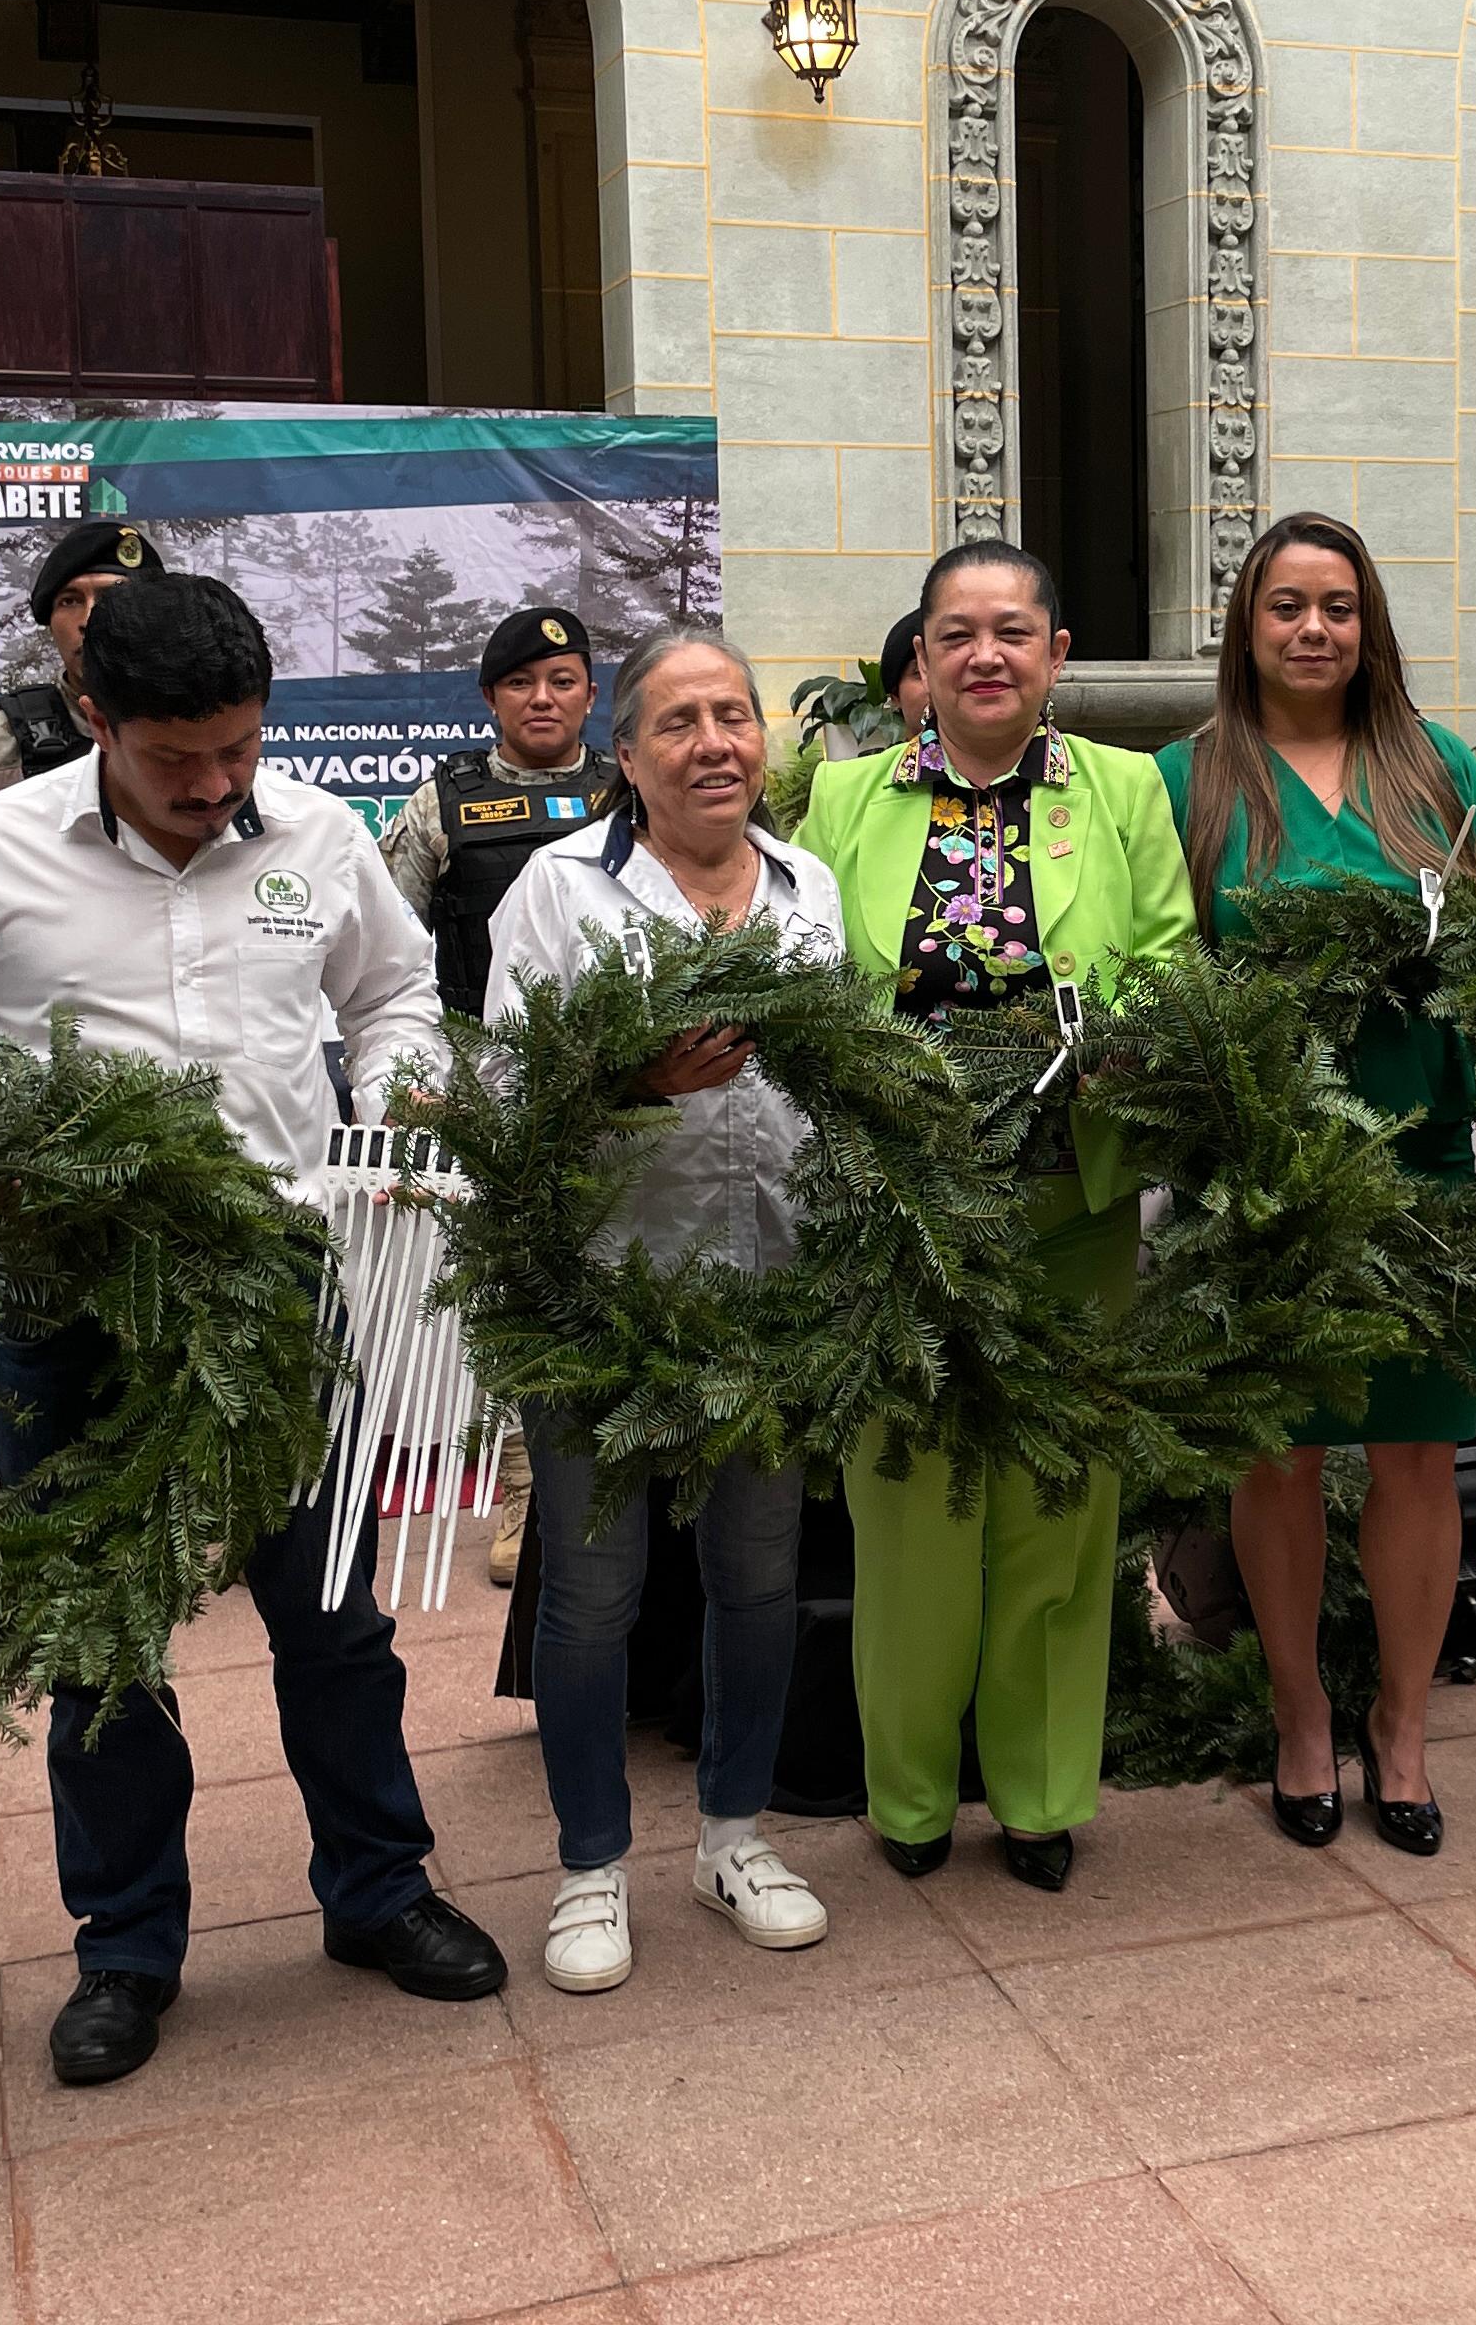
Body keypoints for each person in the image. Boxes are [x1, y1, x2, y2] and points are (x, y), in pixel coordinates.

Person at [0, 573, 507, 2087]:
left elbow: (396, 995)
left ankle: (379, 1891)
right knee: (103, 1636)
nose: (216, 788)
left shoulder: (322, 839)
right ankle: (126, 1948)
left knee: (334, 1620)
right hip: (72, 1302)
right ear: (95, 718)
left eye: (238, 752)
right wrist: (11, 1149)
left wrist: (401, 1082)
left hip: (284, 1290)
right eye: (178, 761)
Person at [792, 542, 1197, 1891]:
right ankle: (907, 1797)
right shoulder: (844, 799)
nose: (986, 655)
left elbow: (1167, 954)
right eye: (957, 631)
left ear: (1056, 654)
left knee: (1058, 1508)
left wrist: (1120, 1043)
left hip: (1066, 1195)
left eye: (1013, 630)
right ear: (921, 656)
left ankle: (1036, 1794)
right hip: (897, 1210)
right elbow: (802, 970)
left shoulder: (1124, 787)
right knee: (905, 1514)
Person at [483, 631, 837, 1992]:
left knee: (756, 1577)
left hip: (769, 1294)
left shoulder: (807, 891)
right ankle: (589, 1867)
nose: (715, 744)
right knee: (593, 1592)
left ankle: (734, 1836)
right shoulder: (559, 892)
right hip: (601, 1301)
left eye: (735, 716)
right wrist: (636, 1084)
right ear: (624, 756)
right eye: (679, 723)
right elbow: (508, 1100)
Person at [1155, 515, 1476, 1857]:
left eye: (1339, 607)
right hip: (1262, 1180)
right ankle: (1301, 1714)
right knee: (1276, 1452)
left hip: (1420, 1172)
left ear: (1372, 626)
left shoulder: (1440, 767)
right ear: (1246, 626)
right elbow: (1167, 976)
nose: (1314, 630)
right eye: (1287, 606)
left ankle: (1400, 1728)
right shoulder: (1190, 783)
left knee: (1418, 1453)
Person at [379, 604, 615, 1584]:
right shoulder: (441, 807)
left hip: (622, 1078)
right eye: (522, 682)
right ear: (491, 699)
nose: (543, 697)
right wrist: (414, 1080)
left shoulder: (627, 790)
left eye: (563, 681)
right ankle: (523, 1492)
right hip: (489, 1079)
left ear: (591, 697)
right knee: (514, 1290)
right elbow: (387, 953)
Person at [0, 521, 163, 812]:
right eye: (70, 601)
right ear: (51, 624)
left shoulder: (200, 727)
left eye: (114, 598)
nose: (90, 620)